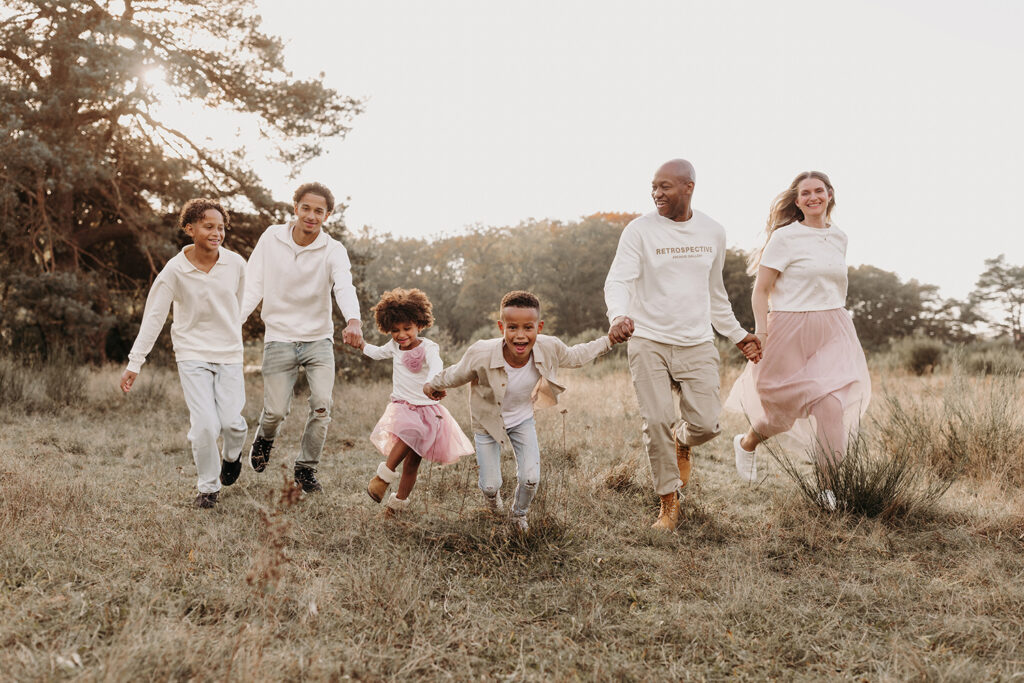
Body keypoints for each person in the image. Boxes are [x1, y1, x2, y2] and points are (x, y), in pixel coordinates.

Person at [605, 159, 761, 531]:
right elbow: (619, 280)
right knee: (656, 420)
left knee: (707, 424)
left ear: (688, 187)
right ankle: (668, 504)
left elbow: (715, 295)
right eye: (654, 187)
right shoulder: (639, 231)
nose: (657, 194)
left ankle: (683, 440)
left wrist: (738, 335)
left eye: (665, 187)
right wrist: (618, 315)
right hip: (648, 339)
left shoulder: (712, 231)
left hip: (696, 341)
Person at [725, 171, 870, 510]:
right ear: (797, 200)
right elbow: (761, 290)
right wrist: (761, 331)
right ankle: (746, 443)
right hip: (788, 330)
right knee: (781, 416)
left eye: (819, 190)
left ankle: (829, 491)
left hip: (833, 328)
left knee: (831, 406)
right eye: (805, 193)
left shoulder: (840, 237)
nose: (813, 197)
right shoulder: (784, 238)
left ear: (830, 194)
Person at [423, 291, 619, 532]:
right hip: (487, 422)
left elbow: (576, 355)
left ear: (539, 327)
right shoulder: (481, 353)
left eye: (528, 327)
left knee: (530, 478)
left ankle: (518, 516)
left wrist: (609, 340)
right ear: (501, 327)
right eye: (512, 327)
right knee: (490, 485)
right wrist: (433, 385)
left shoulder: (549, 347)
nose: (520, 335)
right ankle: (494, 505)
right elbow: (457, 373)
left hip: (522, 420)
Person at [120, 198, 248, 509]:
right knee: (204, 424)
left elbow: (240, 305)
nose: (216, 232)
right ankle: (208, 489)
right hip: (191, 353)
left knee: (232, 424)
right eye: (208, 226)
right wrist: (135, 362)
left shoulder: (236, 264)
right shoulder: (174, 270)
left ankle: (232, 456)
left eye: (220, 227)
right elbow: (154, 317)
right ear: (190, 229)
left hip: (229, 352)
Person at [240, 181, 363, 493]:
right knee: (275, 412)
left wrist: (353, 320)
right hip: (278, 337)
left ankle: (305, 469)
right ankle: (264, 438)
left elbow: (343, 286)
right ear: (295, 208)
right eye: (305, 208)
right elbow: (253, 282)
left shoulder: (333, 249)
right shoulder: (271, 237)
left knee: (322, 405)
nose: (311, 215)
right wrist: (234, 322)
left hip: (318, 340)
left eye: (318, 211)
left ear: (327, 215)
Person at [362, 288, 474, 516]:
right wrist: (361, 345)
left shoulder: (429, 347)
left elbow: (436, 366)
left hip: (427, 409)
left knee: (412, 464)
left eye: (407, 329)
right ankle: (382, 478)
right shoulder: (394, 347)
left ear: (419, 325)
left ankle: (396, 506)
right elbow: (376, 353)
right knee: (408, 433)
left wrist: (434, 383)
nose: (401, 335)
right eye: (395, 330)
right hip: (403, 407)